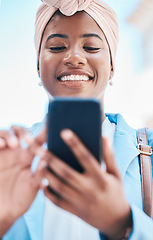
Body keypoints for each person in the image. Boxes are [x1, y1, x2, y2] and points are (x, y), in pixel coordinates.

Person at [1, 0, 153, 239]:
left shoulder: (149, 150)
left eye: (91, 47)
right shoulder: (8, 155)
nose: (74, 57)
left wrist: (122, 223)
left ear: (112, 66)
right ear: (38, 67)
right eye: (57, 47)